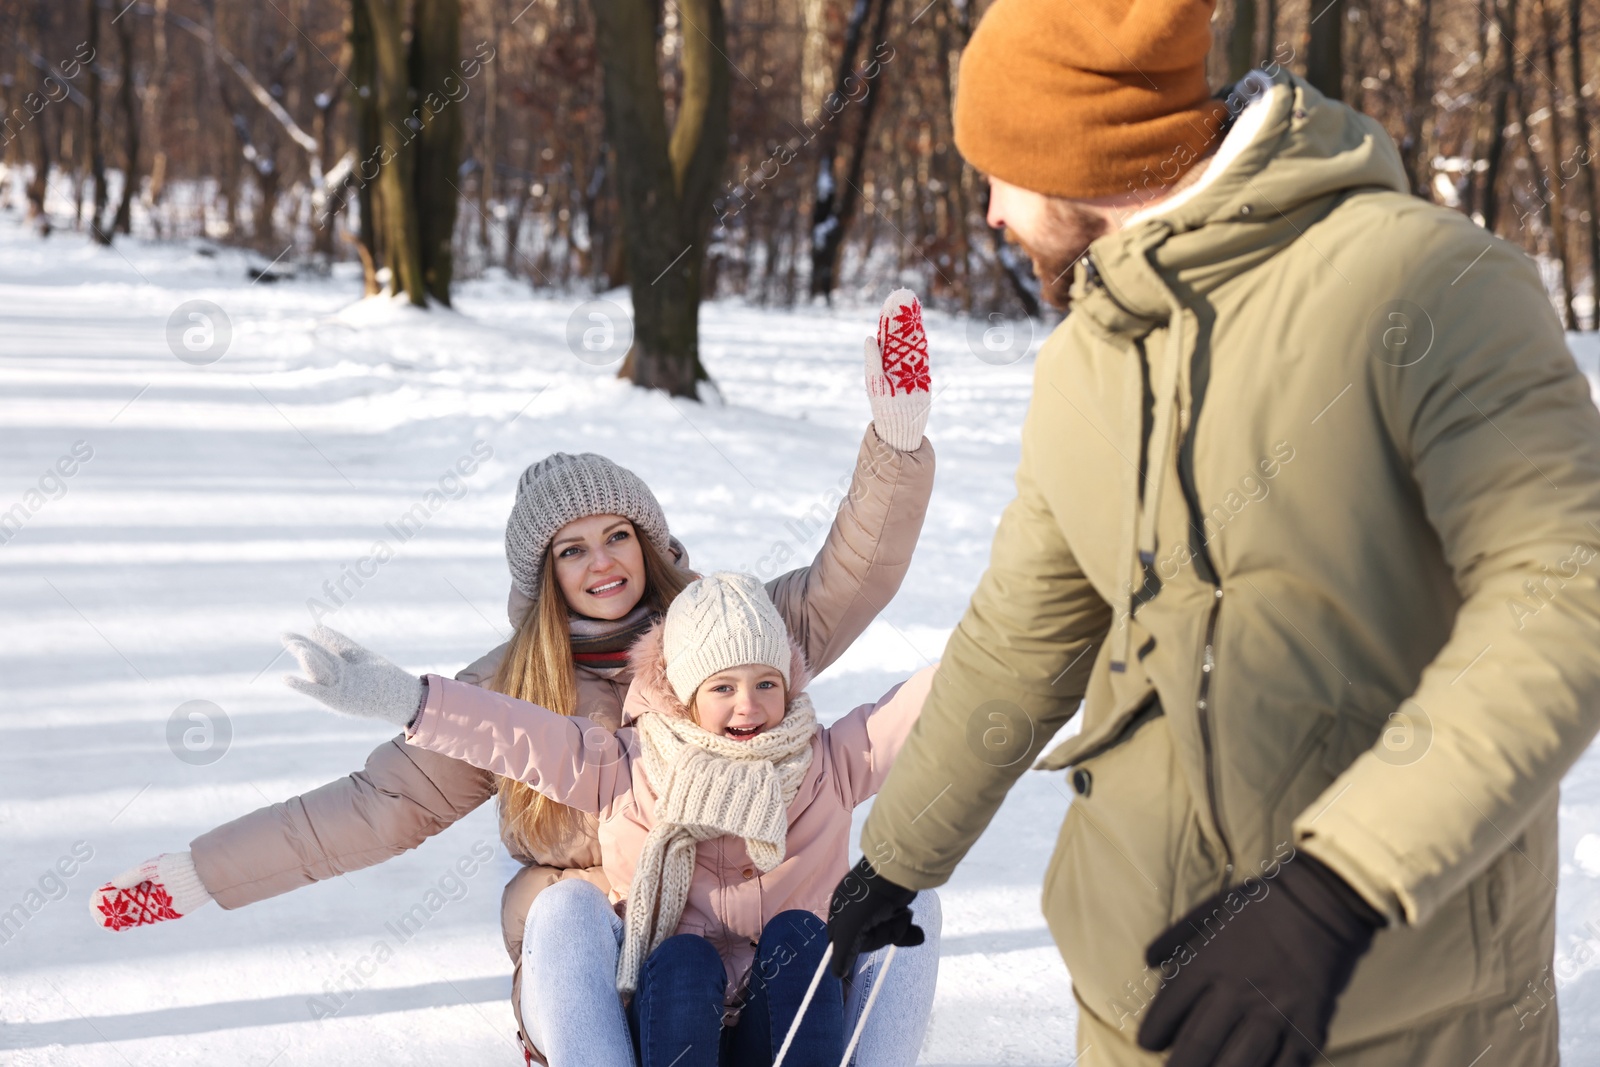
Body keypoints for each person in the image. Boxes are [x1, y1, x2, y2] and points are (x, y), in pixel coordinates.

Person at [823, 1, 1600, 1065]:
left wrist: (1341, 881)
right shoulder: (1082, 364)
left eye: (997, 170)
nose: (992, 213)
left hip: (1404, 1013)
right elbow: (1020, 640)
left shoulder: (1426, 282)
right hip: (1141, 1003)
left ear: (1074, 149)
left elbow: (1561, 590)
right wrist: (898, 851)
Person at [91, 292, 939, 1064]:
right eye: (573, 549)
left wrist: (897, 446)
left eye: (617, 535)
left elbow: (850, 576)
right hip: (612, 967)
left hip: (762, 944)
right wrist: (196, 876)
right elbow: (370, 811)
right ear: (545, 574)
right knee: (560, 906)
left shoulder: (727, 639)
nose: (603, 562)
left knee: (908, 895)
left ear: (648, 540)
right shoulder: (508, 688)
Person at [280, 571, 939, 1067]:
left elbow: (926, 705)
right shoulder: (627, 765)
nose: (749, 706)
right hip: (664, 1021)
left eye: (767, 683)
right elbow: (515, 734)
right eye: (723, 687)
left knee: (835, 920)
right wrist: (408, 698)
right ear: (683, 692)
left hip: (792, 1022)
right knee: (647, 940)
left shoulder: (827, 761)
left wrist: (1021, 637)